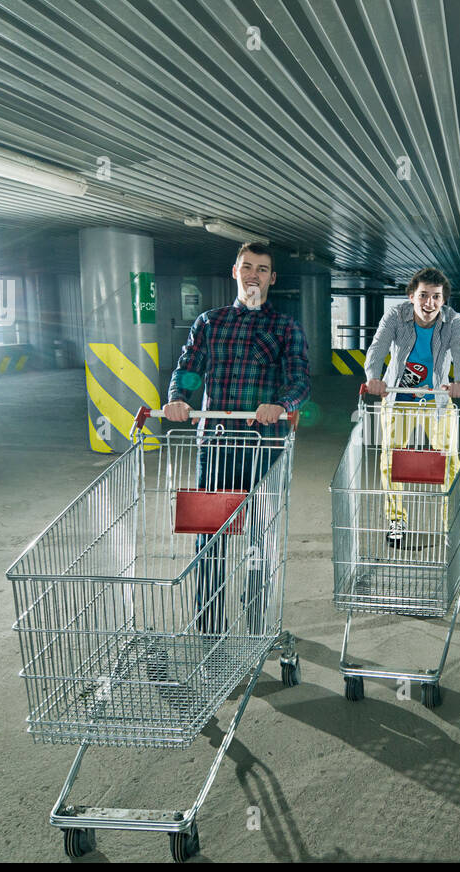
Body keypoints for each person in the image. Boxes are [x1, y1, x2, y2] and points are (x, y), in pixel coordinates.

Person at [162, 241, 311, 635]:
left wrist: (280, 404)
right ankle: (209, 626)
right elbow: (190, 367)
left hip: (266, 446)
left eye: (262, 269)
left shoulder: (285, 327)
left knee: (260, 539)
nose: (253, 275)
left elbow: (298, 378)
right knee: (210, 541)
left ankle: (257, 624)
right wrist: (179, 398)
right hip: (217, 445)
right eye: (247, 267)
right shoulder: (210, 322)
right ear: (235, 272)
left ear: (272, 278)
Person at [363, 267, 460, 545]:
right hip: (399, 398)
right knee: (391, 459)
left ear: (443, 300)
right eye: (423, 295)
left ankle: (452, 524)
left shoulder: (454, 322)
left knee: (449, 461)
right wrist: (373, 378)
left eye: (436, 297)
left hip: (436, 399)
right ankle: (396, 520)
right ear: (412, 296)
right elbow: (378, 347)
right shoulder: (396, 316)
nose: (429, 303)